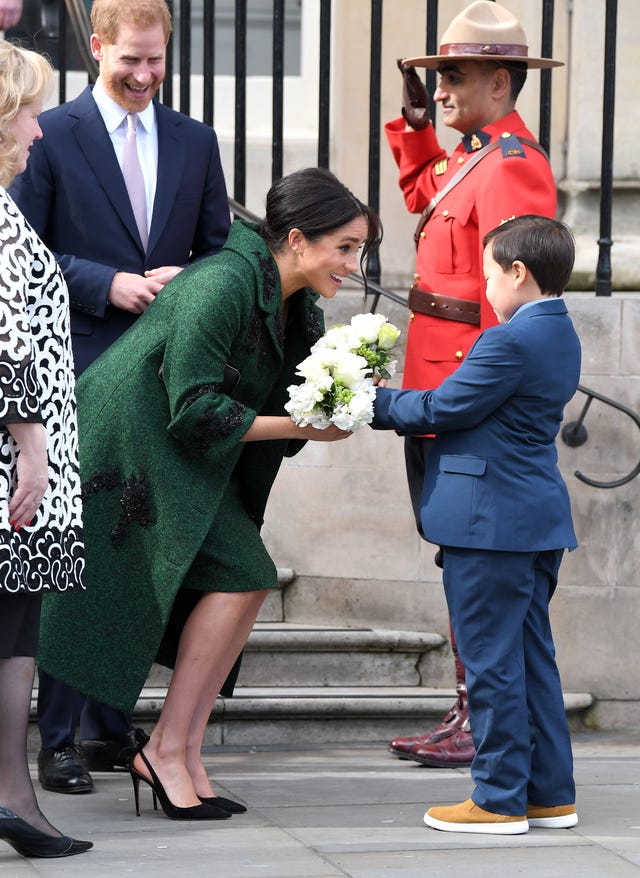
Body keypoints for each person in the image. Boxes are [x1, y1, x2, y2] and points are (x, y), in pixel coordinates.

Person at [36, 166, 382, 820]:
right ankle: (166, 749)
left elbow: (281, 396)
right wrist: (303, 425)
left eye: (357, 250)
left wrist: (342, 394)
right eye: (345, 247)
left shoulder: (294, 299)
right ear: (299, 240)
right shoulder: (222, 282)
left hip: (181, 454)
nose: (352, 265)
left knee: (245, 577)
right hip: (128, 449)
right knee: (245, 572)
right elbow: (193, 408)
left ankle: (181, 750)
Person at [9, 0, 230, 795]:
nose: (144, 74)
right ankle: (58, 739)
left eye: (155, 59)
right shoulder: (48, 132)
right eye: (129, 58)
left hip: (163, 378)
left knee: (137, 547)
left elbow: (220, 253)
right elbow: (21, 248)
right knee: (82, 553)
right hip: (77, 371)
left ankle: (109, 724)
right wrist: (110, 283)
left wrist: (190, 283)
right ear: (97, 47)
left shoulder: (196, 140)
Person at [384, 0, 562, 768]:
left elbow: (512, 301)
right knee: (455, 554)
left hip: (466, 392)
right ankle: (471, 709)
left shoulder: (513, 164)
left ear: (500, 82)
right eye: (438, 76)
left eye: (453, 76)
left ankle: (480, 717)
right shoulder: (473, 154)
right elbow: (422, 195)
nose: (442, 88)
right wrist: (417, 124)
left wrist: (481, 399)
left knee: (475, 562)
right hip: (440, 383)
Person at [372, 214, 580, 833]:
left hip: (491, 522)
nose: (484, 286)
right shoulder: (560, 330)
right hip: (531, 517)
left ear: (518, 272)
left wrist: (369, 400)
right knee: (531, 659)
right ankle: (548, 795)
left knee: (491, 661)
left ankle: (497, 798)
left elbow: (445, 407)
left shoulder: (508, 339)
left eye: (488, 273)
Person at [0, 39, 91, 858]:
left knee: (16, 629)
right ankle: (13, 799)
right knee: (11, 631)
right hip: (14, 463)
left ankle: (15, 798)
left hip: (25, 455)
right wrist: (31, 442)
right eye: (30, 113)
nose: (39, 129)